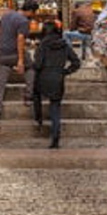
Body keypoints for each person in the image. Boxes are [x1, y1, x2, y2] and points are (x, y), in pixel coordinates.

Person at [0, 0, 39, 126]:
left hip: (0, 54)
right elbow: (20, 39)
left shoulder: (7, 15)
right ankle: (28, 96)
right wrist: (21, 61)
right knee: (31, 67)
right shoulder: (24, 21)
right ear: (31, 11)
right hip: (13, 53)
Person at [33, 21, 81, 149]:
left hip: (43, 77)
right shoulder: (64, 45)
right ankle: (55, 136)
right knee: (55, 107)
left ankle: (38, 120)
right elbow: (76, 62)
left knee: (36, 95)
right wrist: (65, 71)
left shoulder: (42, 45)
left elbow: (37, 64)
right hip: (58, 77)